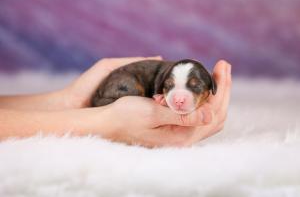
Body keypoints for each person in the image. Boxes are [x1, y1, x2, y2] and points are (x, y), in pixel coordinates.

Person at [0, 56, 232, 148]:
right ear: (164, 82)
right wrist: (106, 121)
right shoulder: (157, 77)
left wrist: (69, 101)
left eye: (194, 87)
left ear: (211, 87)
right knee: (130, 86)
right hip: (122, 85)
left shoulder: (173, 75)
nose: (179, 98)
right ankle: (111, 102)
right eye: (170, 87)